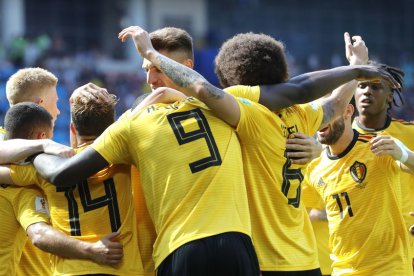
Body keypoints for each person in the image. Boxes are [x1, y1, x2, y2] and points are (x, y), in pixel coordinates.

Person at [120, 26, 399, 274]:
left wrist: (157, 78)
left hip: (261, 259)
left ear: (233, 79)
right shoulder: (301, 114)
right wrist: (356, 65)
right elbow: (336, 105)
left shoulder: (241, 109)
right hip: (305, 257)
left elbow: (203, 91)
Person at [1, 89, 150, 275]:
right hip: (123, 268)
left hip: (71, 271)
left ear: (72, 129)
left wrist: (40, 147)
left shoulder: (41, 171)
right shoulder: (126, 160)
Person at [303, 98, 413, 274]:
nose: (319, 119)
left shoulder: (377, 145)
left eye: (326, 112)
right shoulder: (314, 167)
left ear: (347, 111)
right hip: (342, 269)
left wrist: (404, 155)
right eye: (315, 114)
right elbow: (300, 217)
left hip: (388, 267)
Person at [1, 67, 72, 276]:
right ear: (40, 104)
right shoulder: (38, 155)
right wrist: (43, 146)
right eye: (56, 102)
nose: (58, 110)